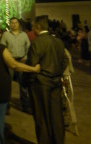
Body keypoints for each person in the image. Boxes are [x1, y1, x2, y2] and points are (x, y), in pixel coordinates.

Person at [26, 15, 68, 144]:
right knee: (56, 116)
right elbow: (65, 60)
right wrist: (58, 72)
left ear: (38, 27)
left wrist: (30, 80)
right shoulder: (58, 41)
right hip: (55, 81)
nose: (32, 29)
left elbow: (32, 65)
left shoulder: (37, 43)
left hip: (40, 83)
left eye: (33, 27)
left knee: (41, 117)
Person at [1, 17, 31, 112]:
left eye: (16, 23)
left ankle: (25, 106)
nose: (14, 24)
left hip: (21, 61)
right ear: (10, 24)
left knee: (23, 85)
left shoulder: (24, 35)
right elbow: (2, 47)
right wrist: (7, 58)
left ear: (19, 24)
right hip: (10, 62)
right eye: (12, 23)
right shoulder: (6, 34)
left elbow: (28, 47)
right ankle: (6, 106)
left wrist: (25, 57)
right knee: (7, 84)